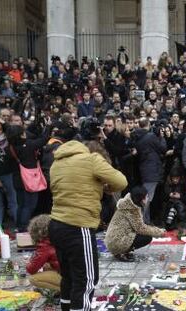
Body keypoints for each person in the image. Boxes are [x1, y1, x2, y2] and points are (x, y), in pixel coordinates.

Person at [48, 116, 127, 311]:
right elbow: (121, 181)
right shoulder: (91, 159)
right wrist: (106, 187)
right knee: (86, 280)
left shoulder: (57, 161)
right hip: (78, 226)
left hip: (56, 224)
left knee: (68, 277)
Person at [104, 186, 165, 262]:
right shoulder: (131, 210)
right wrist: (159, 232)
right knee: (146, 238)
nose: (147, 198)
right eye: (146, 197)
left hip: (114, 239)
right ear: (141, 199)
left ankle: (122, 251)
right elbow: (141, 228)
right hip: (117, 242)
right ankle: (121, 252)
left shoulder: (130, 204)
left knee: (143, 233)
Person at [133, 117, 166, 224]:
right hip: (151, 171)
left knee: (145, 197)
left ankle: (145, 221)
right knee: (146, 199)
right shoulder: (151, 136)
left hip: (143, 170)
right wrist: (161, 137)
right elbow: (162, 149)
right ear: (148, 124)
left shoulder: (136, 136)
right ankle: (142, 222)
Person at [26, 214, 61, 292]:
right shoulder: (59, 237)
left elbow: (31, 269)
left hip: (69, 278)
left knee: (33, 279)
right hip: (77, 274)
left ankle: (66, 291)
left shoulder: (45, 245)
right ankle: (59, 290)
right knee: (47, 266)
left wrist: (30, 260)